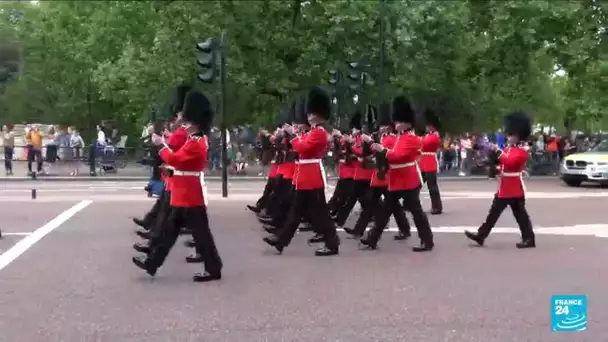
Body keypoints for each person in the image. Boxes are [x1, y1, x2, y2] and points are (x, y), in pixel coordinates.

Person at [133, 90, 223, 282]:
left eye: (188, 121)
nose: (184, 124)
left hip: (189, 193)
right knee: (170, 231)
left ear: (197, 122)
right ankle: (152, 263)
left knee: (200, 234)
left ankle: (213, 267)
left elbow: (175, 158)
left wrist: (160, 145)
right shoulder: (194, 139)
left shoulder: (197, 142)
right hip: (184, 191)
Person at [263, 86, 340, 256]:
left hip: (312, 175)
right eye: (310, 113)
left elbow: (301, 146)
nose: (310, 116)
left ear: (320, 115)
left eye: (313, 114)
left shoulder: (319, 132)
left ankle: (332, 243)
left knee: (320, 213)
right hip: (304, 175)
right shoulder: (312, 131)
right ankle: (281, 240)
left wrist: (292, 135)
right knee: (296, 212)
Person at [362, 96, 434, 252]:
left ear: (408, 122)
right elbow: (390, 153)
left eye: (400, 122)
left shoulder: (412, 138)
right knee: (385, 211)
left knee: (416, 212)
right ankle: (372, 239)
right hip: (395, 179)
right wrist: (374, 146)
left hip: (408, 180)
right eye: (397, 121)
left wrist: (382, 150)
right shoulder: (400, 137)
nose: (397, 124)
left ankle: (427, 241)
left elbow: (397, 156)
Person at [132, 85, 191, 253]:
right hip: (177, 177)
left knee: (173, 216)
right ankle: (153, 241)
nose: (178, 117)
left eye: (180, 115)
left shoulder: (188, 132)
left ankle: (153, 242)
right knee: (168, 211)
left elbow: (174, 151)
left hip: (182, 179)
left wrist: (162, 142)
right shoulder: (184, 130)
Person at [464, 111, 535, 249]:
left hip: (514, 187)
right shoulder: (509, 148)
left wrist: (498, 152)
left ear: (518, 136)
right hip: (506, 186)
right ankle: (481, 235)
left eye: (510, 135)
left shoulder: (521, 151)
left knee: (519, 215)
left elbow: (510, 162)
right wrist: (496, 168)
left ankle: (528, 239)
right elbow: (504, 164)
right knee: (497, 213)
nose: (508, 137)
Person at [343, 103, 411, 240]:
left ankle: (400, 229)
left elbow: (384, 154)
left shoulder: (391, 139)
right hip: (379, 175)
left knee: (391, 205)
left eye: (381, 125)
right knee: (374, 203)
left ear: (387, 126)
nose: (379, 128)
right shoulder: (383, 138)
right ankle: (359, 230)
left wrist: (370, 143)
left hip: (385, 175)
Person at [419, 109, 443, 214]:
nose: (427, 127)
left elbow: (424, 144)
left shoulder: (434, 136)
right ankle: (409, 204)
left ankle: (437, 207)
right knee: (416, 185)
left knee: (432, 187)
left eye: (428, 125)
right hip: (423, 163)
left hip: (430, 163)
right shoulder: (428, 135)